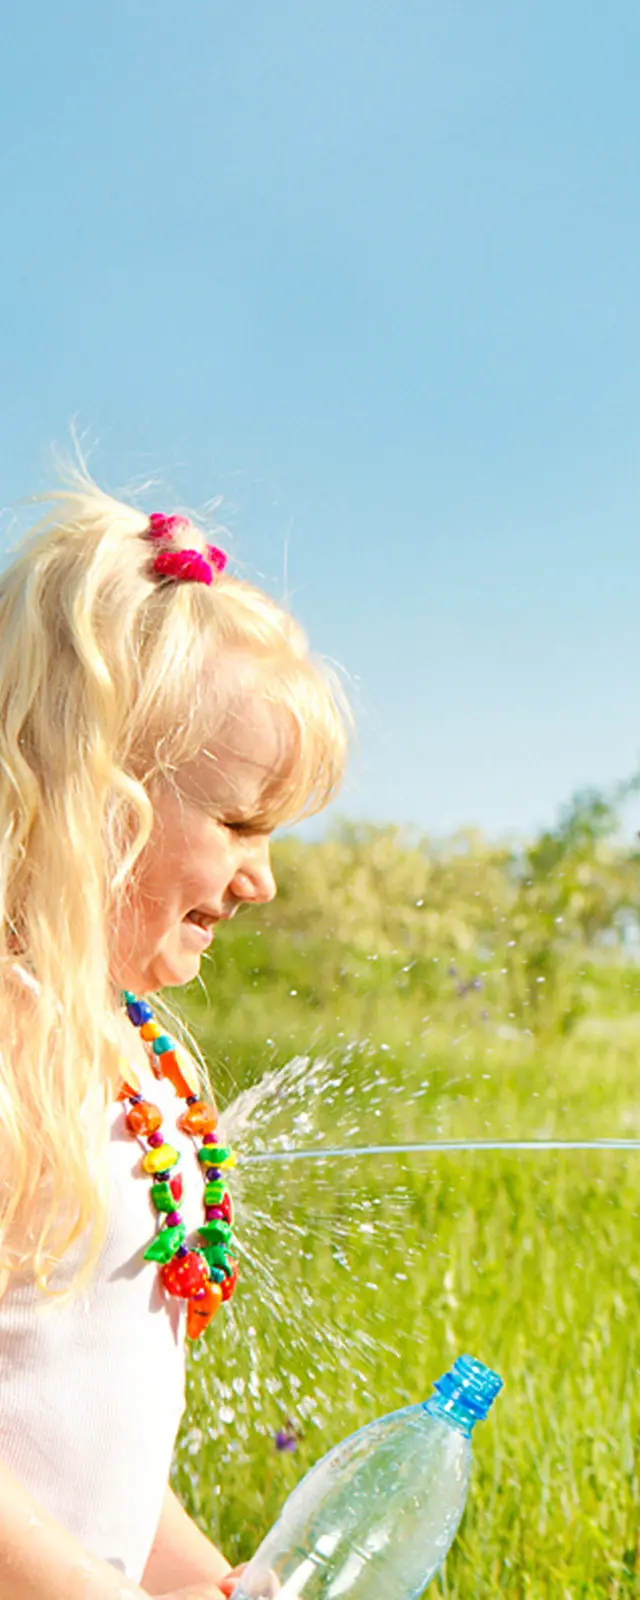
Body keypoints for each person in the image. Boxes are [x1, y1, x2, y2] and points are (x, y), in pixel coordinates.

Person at [0, 481, 348, 1598]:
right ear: (100, 799)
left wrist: (195, 1577)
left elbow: (83, 1434)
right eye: (240, 822)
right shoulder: (14, 1046)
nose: (264, 877)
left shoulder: (133, 1049)